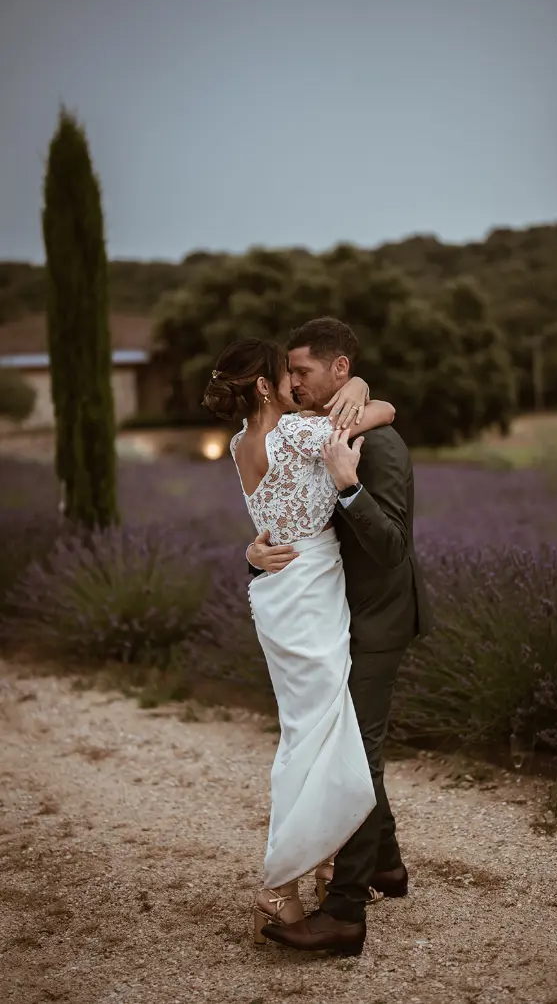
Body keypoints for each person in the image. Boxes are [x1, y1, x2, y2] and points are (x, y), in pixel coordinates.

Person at [202, 337, 397, 955]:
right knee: (322, 731)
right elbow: (385, 414)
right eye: (282, 372)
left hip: (276, 591)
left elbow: (266, 520)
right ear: (264, 386)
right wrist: (361, 389)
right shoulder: (299, 434)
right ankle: (286, 876)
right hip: (311, 589)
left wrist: (253, 550)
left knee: (305, 728)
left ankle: (330, 860)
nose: (292, 378)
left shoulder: (241, 445)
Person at [246, 318, 431, 956]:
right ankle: (386, 866)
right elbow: (290, 514)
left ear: (339, 371)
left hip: (377, 622)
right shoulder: (320, 436)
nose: (292, 382)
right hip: (332, 616)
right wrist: (257, 555)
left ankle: (346, 913)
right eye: (287, 373)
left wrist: (350, 485)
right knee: (357, 752)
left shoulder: (380, 448)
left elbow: (391, 548)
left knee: (358, 758)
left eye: (302, 371)